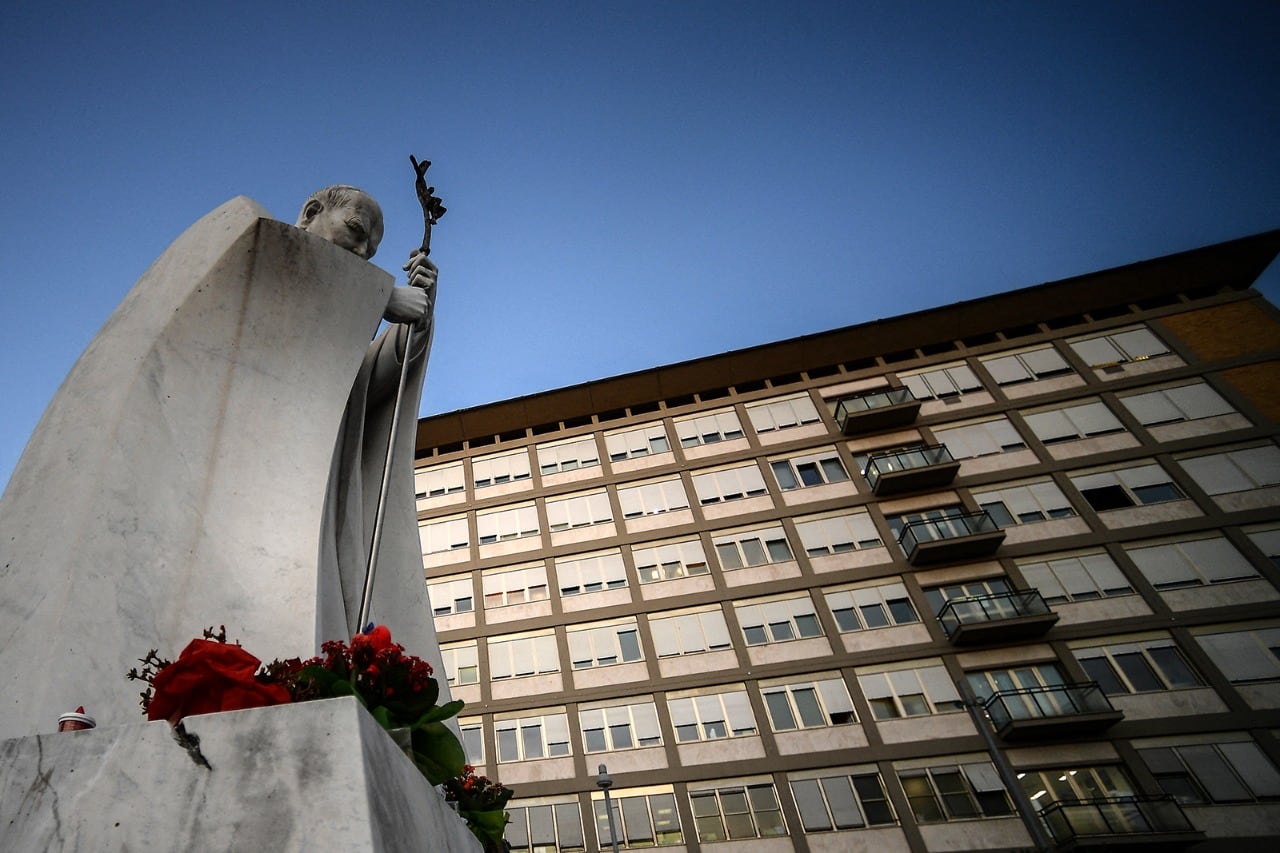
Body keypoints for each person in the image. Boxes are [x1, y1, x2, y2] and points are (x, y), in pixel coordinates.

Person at [298, 185, 447, 663]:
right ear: (311, 214)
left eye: (371, 251)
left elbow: (373, 379)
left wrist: (415, 319)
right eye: (356, 233)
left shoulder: (339, 331)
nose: (361, 254)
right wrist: (381, 295)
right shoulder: (261, 253)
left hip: (323, 481)